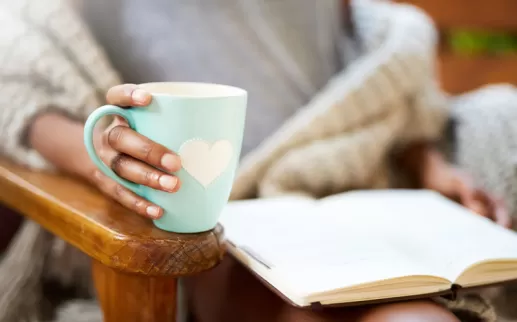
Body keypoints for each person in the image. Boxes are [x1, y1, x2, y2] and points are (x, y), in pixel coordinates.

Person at [0, 0, 515, 321]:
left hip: (358, 203)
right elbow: (21, 81)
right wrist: (100, 154)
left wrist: (431, 166)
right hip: (222, 231)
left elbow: (378, 92)